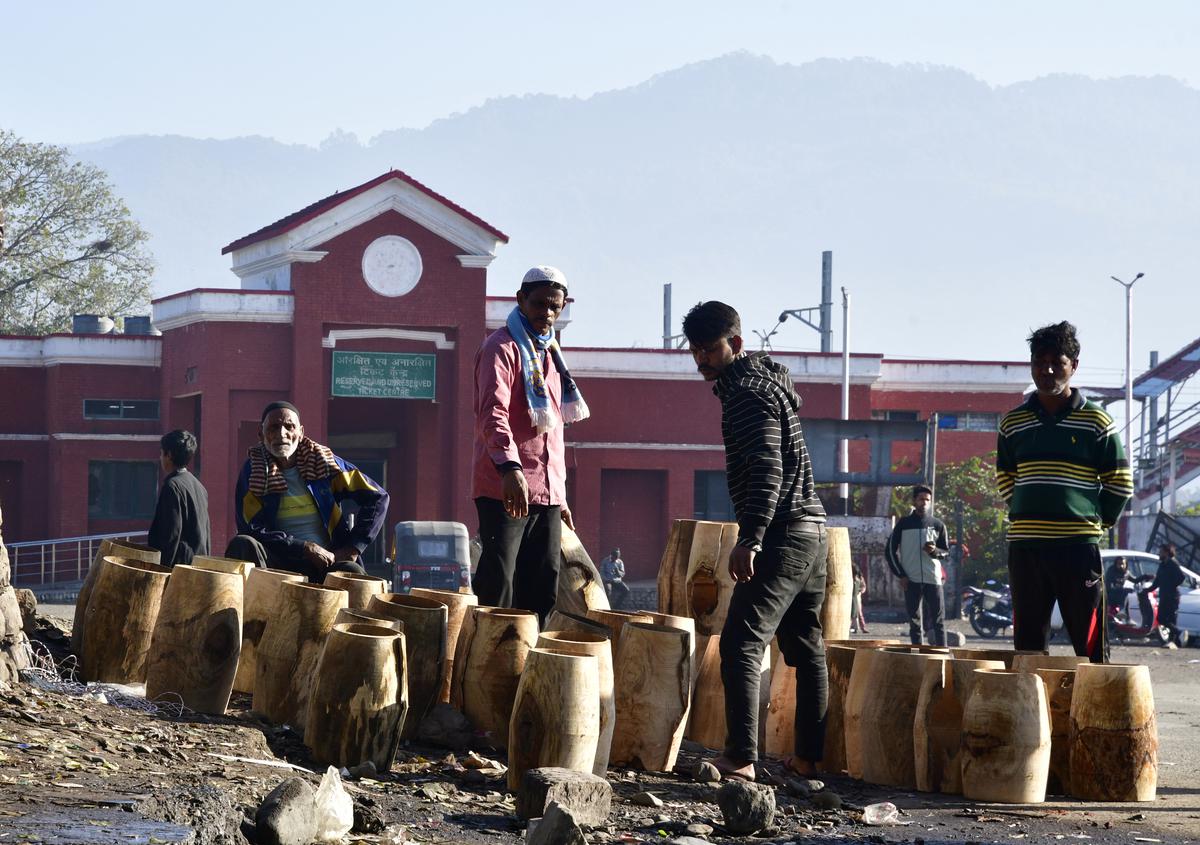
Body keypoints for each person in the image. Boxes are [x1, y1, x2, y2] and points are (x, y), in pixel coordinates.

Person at [683, 300, 827, 782]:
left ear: (736, 344)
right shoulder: (769, 385)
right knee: (806, 648)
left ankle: (741, 757)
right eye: (695, 350)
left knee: (742, 642)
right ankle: (806, 760)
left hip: (784, 533)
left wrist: (751, 538)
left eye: (709, 349)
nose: (701, 359)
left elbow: (768, 469)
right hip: (813, 532)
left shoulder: (746, 393)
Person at [996, 321, 1132, 662]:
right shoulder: (1013, 423)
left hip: (1077, 549)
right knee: (1027, 648)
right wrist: (1030, 512)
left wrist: (1093, 525)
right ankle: (1032, 715)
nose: (1048, 369)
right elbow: (1006, 476)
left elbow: (1120, 482)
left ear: (1074, 366)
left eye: (1058, 361)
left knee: (1090, 649)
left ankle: (1095, 715)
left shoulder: (1097, 421)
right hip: (1026, 548)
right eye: (1040, 362)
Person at [472, 266, 589, 624]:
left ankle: (526, 670)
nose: (547, 313)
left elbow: (553, 434)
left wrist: (562, 497)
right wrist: (510, 469)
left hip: (548, 494)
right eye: (539, 304)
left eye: (555, 307)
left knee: (541, 589)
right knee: (498, 587)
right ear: (521, 299)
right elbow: (493, 414)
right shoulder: (501, 348)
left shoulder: (551, 352)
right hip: (505, 488)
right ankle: (485, 669)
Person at [226, 401, 389, 582]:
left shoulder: (324, 463)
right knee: (242, 543)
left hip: (326, 562)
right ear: (261, 434)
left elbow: (378, 497)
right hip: (276, 563)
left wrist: (353, 548)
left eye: (289, 426)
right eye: (273, 427)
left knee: (351, 570)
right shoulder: (252, 471)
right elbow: (251, 528)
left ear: (301, 432)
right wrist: (303, 548)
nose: (282, 434)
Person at [885, 485, 950, 646]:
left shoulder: (938, 524)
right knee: (915, 623)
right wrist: (901, 575)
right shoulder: (904, 524)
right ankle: (918, 658)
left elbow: (946, 552)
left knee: (939, 622)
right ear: (914, 501)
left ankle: (942, 657)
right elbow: (889, 551)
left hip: (933, 579)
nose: (924, 502)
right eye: (921, 499)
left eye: (927, 499)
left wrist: (935, 552)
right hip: (911, 579)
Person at [147, 429, 210, 566]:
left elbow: (170, 535)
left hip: (180, 570)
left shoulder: (172, 486)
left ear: (168, 455)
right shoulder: (199, 487)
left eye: (161, 453)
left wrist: (161, 570)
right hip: (198, 566)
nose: (160, 458)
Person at [1148, 543, 1186, 643]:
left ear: (1167, 552)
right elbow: (1157, 581)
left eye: (1161, 552)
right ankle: (1174, 639)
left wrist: (1171, 586)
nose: (1159, 554)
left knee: (1166, 619)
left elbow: (1181, 577)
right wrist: (1147, 590)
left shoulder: (1173, 563)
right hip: (1164, 596)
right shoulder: (1162, 565)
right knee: (1162, 618)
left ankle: (1177, 635)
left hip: (1172, 596)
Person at [850, 562, 869, 634]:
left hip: (857, 595)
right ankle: (855, 627)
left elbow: (863, 586)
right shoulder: (849, 577)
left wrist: (860, 591)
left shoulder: (859, 577)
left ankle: (862, 627)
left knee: (858, 612)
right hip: (850, 596)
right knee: (851, 612)